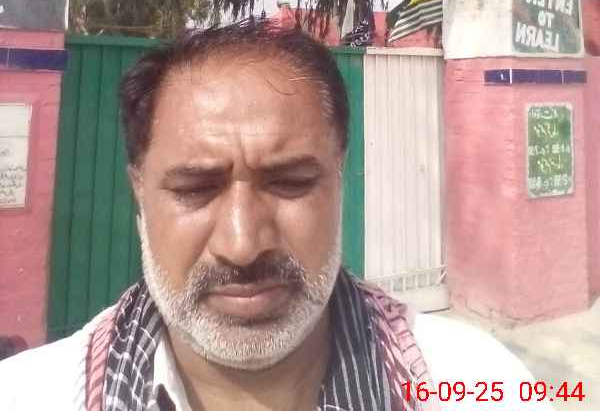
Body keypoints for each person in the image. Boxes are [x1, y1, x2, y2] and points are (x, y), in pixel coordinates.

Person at [0, 21, 548, 410]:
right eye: (195, 189)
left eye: (290, 183)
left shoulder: (481, 384)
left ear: (340, 179)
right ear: (139, 195)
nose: (242, 244)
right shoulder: (30, 395)